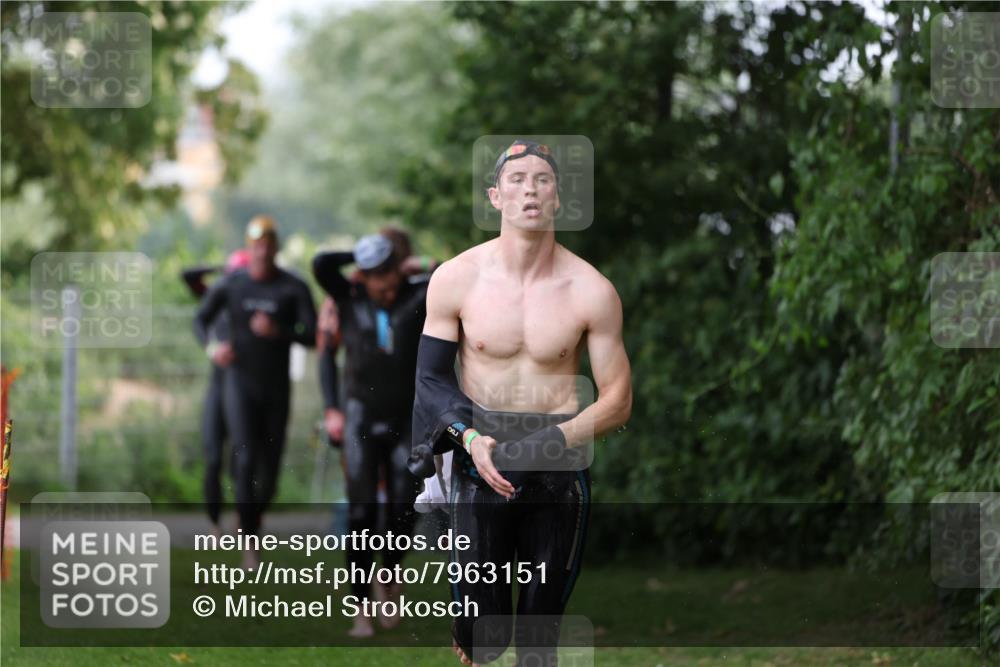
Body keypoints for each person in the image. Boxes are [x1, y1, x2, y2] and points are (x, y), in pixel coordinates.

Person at [409, 140, 632, 666]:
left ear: (558, 198)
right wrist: (469, 438)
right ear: (495, 196)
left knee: (539, 637)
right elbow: (430, 380)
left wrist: (549, 442)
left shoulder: (591, 289)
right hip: (478, 454)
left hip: (558, 460)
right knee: (481, 640)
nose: (529, 188)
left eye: (543, 179)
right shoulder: (456, 278)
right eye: (516, 179)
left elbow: (618, 400)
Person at [312, 231, 435, 637]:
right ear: (363, 275)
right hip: (360, 417)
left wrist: (417, 264)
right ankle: (361, 604)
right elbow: (321, 264)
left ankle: (391, 572)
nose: (382, 288)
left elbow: (454, 273)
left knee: (403, 506)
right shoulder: (349, 296)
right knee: (362, 512)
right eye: (372, 277)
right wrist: (362, 253)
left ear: (398, 272)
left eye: (388, 277)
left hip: (405, 417)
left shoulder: (417, 295)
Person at [194, 215, 317, 569]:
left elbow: (311, 336)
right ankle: (250, 543)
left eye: (267, 245)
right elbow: (200, 320)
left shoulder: (293, 287)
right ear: (248, 250)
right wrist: (213, 348)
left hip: (276, 388)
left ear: (275, 247)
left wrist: (279, 331)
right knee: (244, 457)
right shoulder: (232, 285)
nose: (262, 251)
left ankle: (253, 516)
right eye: (256, 245)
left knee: (271, 470)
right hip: (238, 383)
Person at [181, 249, 249, 536]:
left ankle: (243, 518)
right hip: (218, 388)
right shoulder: (216, 298)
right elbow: (188, 276)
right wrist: (224, 268)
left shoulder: (254, 306)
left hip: (245, 390)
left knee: (241, 458)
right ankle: (213, 522)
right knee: (212, 456)